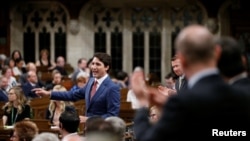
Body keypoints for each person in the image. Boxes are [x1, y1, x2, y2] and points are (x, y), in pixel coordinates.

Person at [130, 25, 249, 140]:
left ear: (182, 60)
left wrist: (142, 104)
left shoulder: (182, 103)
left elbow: (148, 137)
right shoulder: (244, 93)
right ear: (217, 53)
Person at [33, 52, 120, 123]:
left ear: (107, 67)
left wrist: (89, 119)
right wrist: (49, 93)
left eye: (98, 64)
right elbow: (72, 95)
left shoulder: (112, 88)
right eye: (92, 64)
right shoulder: (91, 81)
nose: (93, 67)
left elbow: (112, 116)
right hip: (89, 131)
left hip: (103, 133)